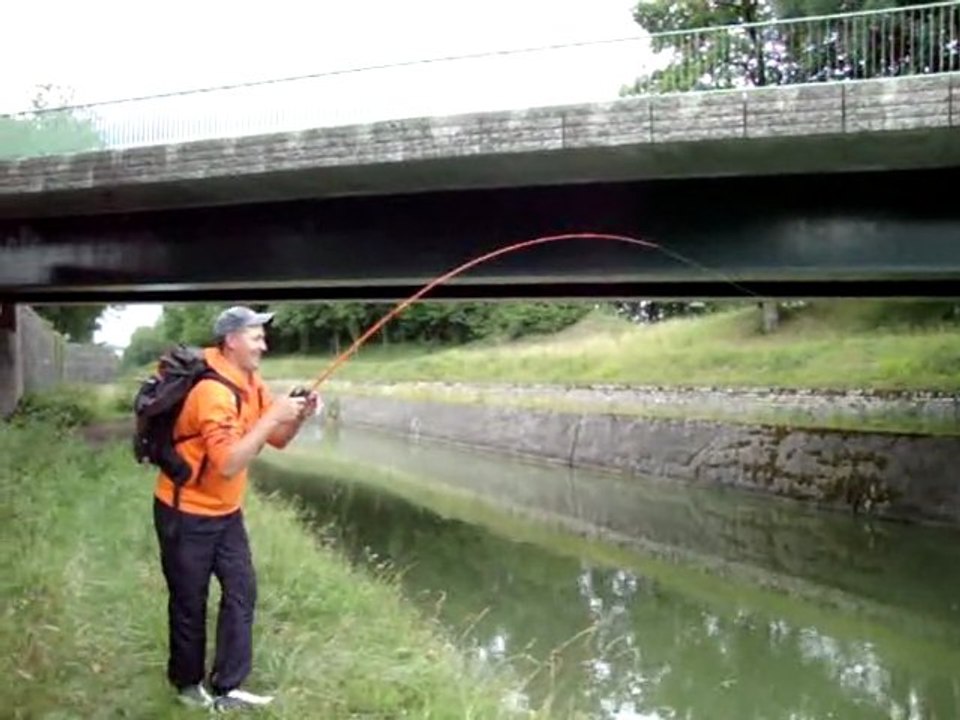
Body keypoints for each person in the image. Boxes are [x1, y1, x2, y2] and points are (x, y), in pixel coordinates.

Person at [152, 306, 319, 711]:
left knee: (242, 592)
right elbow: (228, 463)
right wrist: (272, 416)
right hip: (185, 513)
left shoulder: (251, 382)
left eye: (263, 337)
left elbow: (276, 439)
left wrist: (296, 417)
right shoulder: (212, 393)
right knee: (189, 601)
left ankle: (228, 687)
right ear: (231, 341)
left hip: (226, 513)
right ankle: (187, 685)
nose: (264, 344)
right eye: (256, 337)